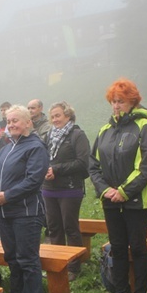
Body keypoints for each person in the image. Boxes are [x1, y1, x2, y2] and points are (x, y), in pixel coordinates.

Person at [89, 79, 147, 293]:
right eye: (113, 101)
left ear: (132, 102)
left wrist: (124, 191)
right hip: (110, 199)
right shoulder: (104, 130)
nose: (116, 106)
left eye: (121, 101)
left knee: (137, 247)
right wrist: (105, 190)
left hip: (135, 200)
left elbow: (146, 167)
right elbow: (93, 165)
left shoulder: (145, 127)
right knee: (117, 247)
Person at [0, 104, 49, 293]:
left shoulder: (35, 147)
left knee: (27, 260)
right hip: (5, 213)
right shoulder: (6, 148)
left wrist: (8, 195)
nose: (11, 124)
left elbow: (34, 180)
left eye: (16, 120)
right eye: (9, 121)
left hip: (26, 213)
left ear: (28, 123)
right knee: (13, 260)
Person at [42, 101, 90, 282]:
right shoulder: (48, 136)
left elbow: (83, 162)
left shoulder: (77, 135)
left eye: (58, 116)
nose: (55, 120)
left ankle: (74, 266)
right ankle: (58, 263)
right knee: (54, 228)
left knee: (70, 227)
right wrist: (45, 169)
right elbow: (43, 157)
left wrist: (57, 169)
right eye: (52, 116)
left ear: (68, 116)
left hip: (70, 189)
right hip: (49, 189)